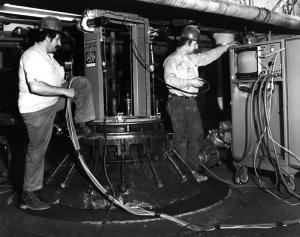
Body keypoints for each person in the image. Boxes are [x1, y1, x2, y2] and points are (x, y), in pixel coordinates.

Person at [18, 16, 96, 210]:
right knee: (37, 150)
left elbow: (55, 81)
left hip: (52, 102)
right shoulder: (31, 56)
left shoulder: (49, 57)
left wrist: (67, 86)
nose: (59, 43)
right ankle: (28, 194)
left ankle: (79, 124)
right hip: (36, 110)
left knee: (81, 84)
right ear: (48, 37)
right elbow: (36, 86)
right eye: (58, 39)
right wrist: (64, 91)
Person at [163, 25, 235, 174]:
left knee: (196, 136)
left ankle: (193, 171)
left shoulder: (191, 59)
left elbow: (208, 56)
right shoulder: (171, 60)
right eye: (195, 43)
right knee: (181, 139)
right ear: (187, 43)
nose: (197, 46)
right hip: (177, 102)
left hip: (190, 102)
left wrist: (226, 47)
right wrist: (190, 82)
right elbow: (170, 80)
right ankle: (181, 174)